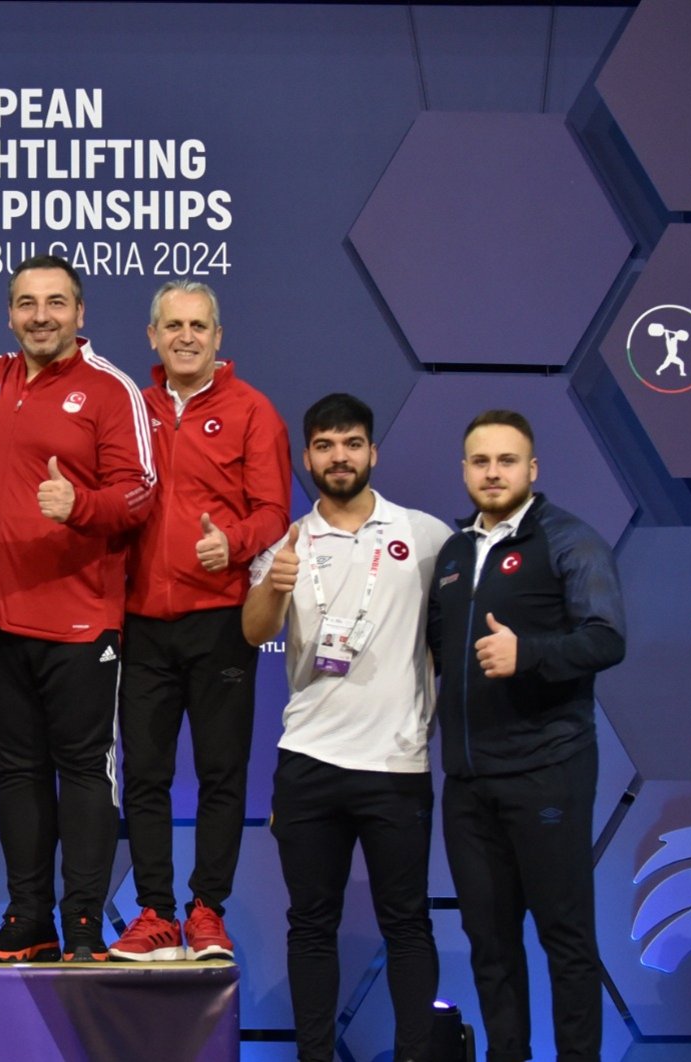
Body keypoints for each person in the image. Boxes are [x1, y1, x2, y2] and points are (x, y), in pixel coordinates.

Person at [241, 393, 449, 1061]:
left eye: (351, 443)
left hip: (396, 767)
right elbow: (253, 632)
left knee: (408, 923)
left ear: (372, 452)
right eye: (325, 446)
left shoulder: (425, 536)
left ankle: (415, 1053)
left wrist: (422, 718)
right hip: (308, 761)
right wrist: (275, 584)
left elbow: (447, 643)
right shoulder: (287, 544)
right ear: (307, 457)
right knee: (309, 925)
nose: (339, 457)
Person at [0, 255, 156, 963]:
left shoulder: (111, 390)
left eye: (55, 303)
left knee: (82, 770)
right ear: (10, 314)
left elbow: (140, 492)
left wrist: (81, 506)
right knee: (16, 774)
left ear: (81, 313)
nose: (39, 315)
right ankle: (29, 918)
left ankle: (81, 921)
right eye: (25, 303)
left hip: (80, 618)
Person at [428, 410, 626, 1062]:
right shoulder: (455, 553)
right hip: (467, 784)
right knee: (489, 943)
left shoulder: (570, 540)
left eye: (506, 460)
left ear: (532, 469)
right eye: (480, 461)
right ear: (464, 471)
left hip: (549, 770)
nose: (492, 472)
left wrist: (530, 653)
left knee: (565, 938)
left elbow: (606, 637)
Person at [110, 280, 290, 963]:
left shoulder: (253, 411)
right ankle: (154, 911)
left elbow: (274, 509)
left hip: (220, 619)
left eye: (200, 326)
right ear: (153, 336)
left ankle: (208, 910)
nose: (186, 336)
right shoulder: (132, 408)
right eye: (173, 325)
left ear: (219, 338)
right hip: (141, 621)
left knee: (221, 774)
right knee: (145, 775)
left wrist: (235, 544)